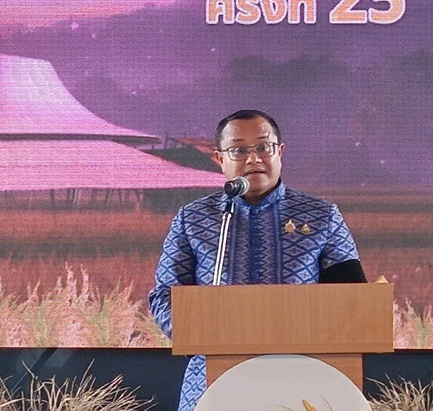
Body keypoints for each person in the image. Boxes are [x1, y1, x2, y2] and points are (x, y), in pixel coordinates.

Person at [149, 109, 366, 410]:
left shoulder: (322, 216)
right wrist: (200, 336)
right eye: (239, 150)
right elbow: (164, 295)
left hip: (303, 382)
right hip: (211, 383)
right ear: (219, 159)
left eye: (263, 147)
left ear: (280, 152)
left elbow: (354, 301)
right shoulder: (193, 218)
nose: (253, 159)